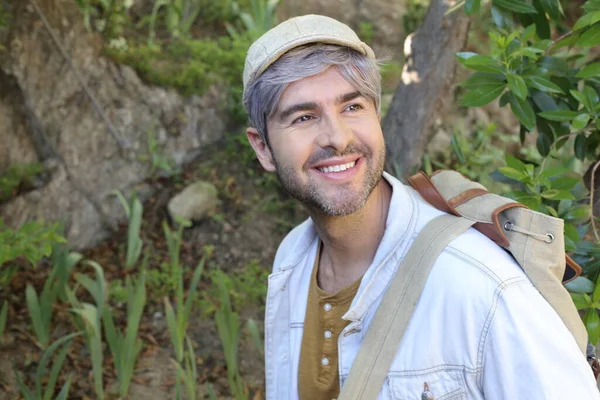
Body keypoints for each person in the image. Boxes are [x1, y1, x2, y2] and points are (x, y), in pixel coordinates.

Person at [242, 14, 600, 400]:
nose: (337, 137)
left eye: (352, 107)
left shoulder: (483, 287)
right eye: (304, 117)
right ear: (262, 147)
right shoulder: (292, 260)